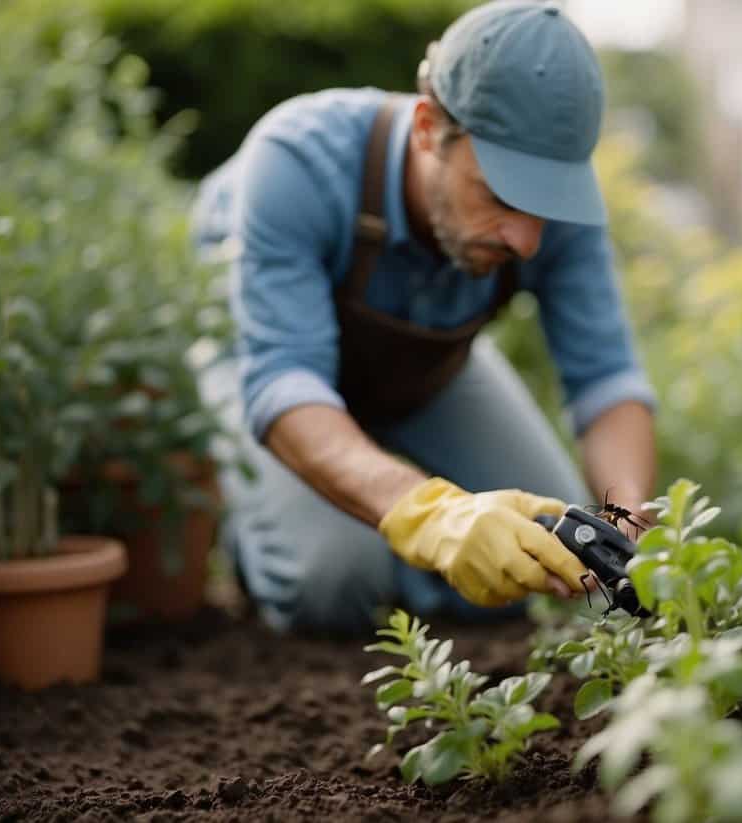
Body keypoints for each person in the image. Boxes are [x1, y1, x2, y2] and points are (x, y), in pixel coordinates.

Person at [190, 0, 657, 635]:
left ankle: (369, 516)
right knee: (332, 582)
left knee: (549, 558)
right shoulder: (299, 160)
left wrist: (625, 529)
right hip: (266, 358)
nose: (526, 239)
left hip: (427, 367)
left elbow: (605, 379)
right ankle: (266, 538)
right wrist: (432, 516)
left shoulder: (559, 212)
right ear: (427, 128)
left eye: (546, 204)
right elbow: (283, 379)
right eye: (500, 195)